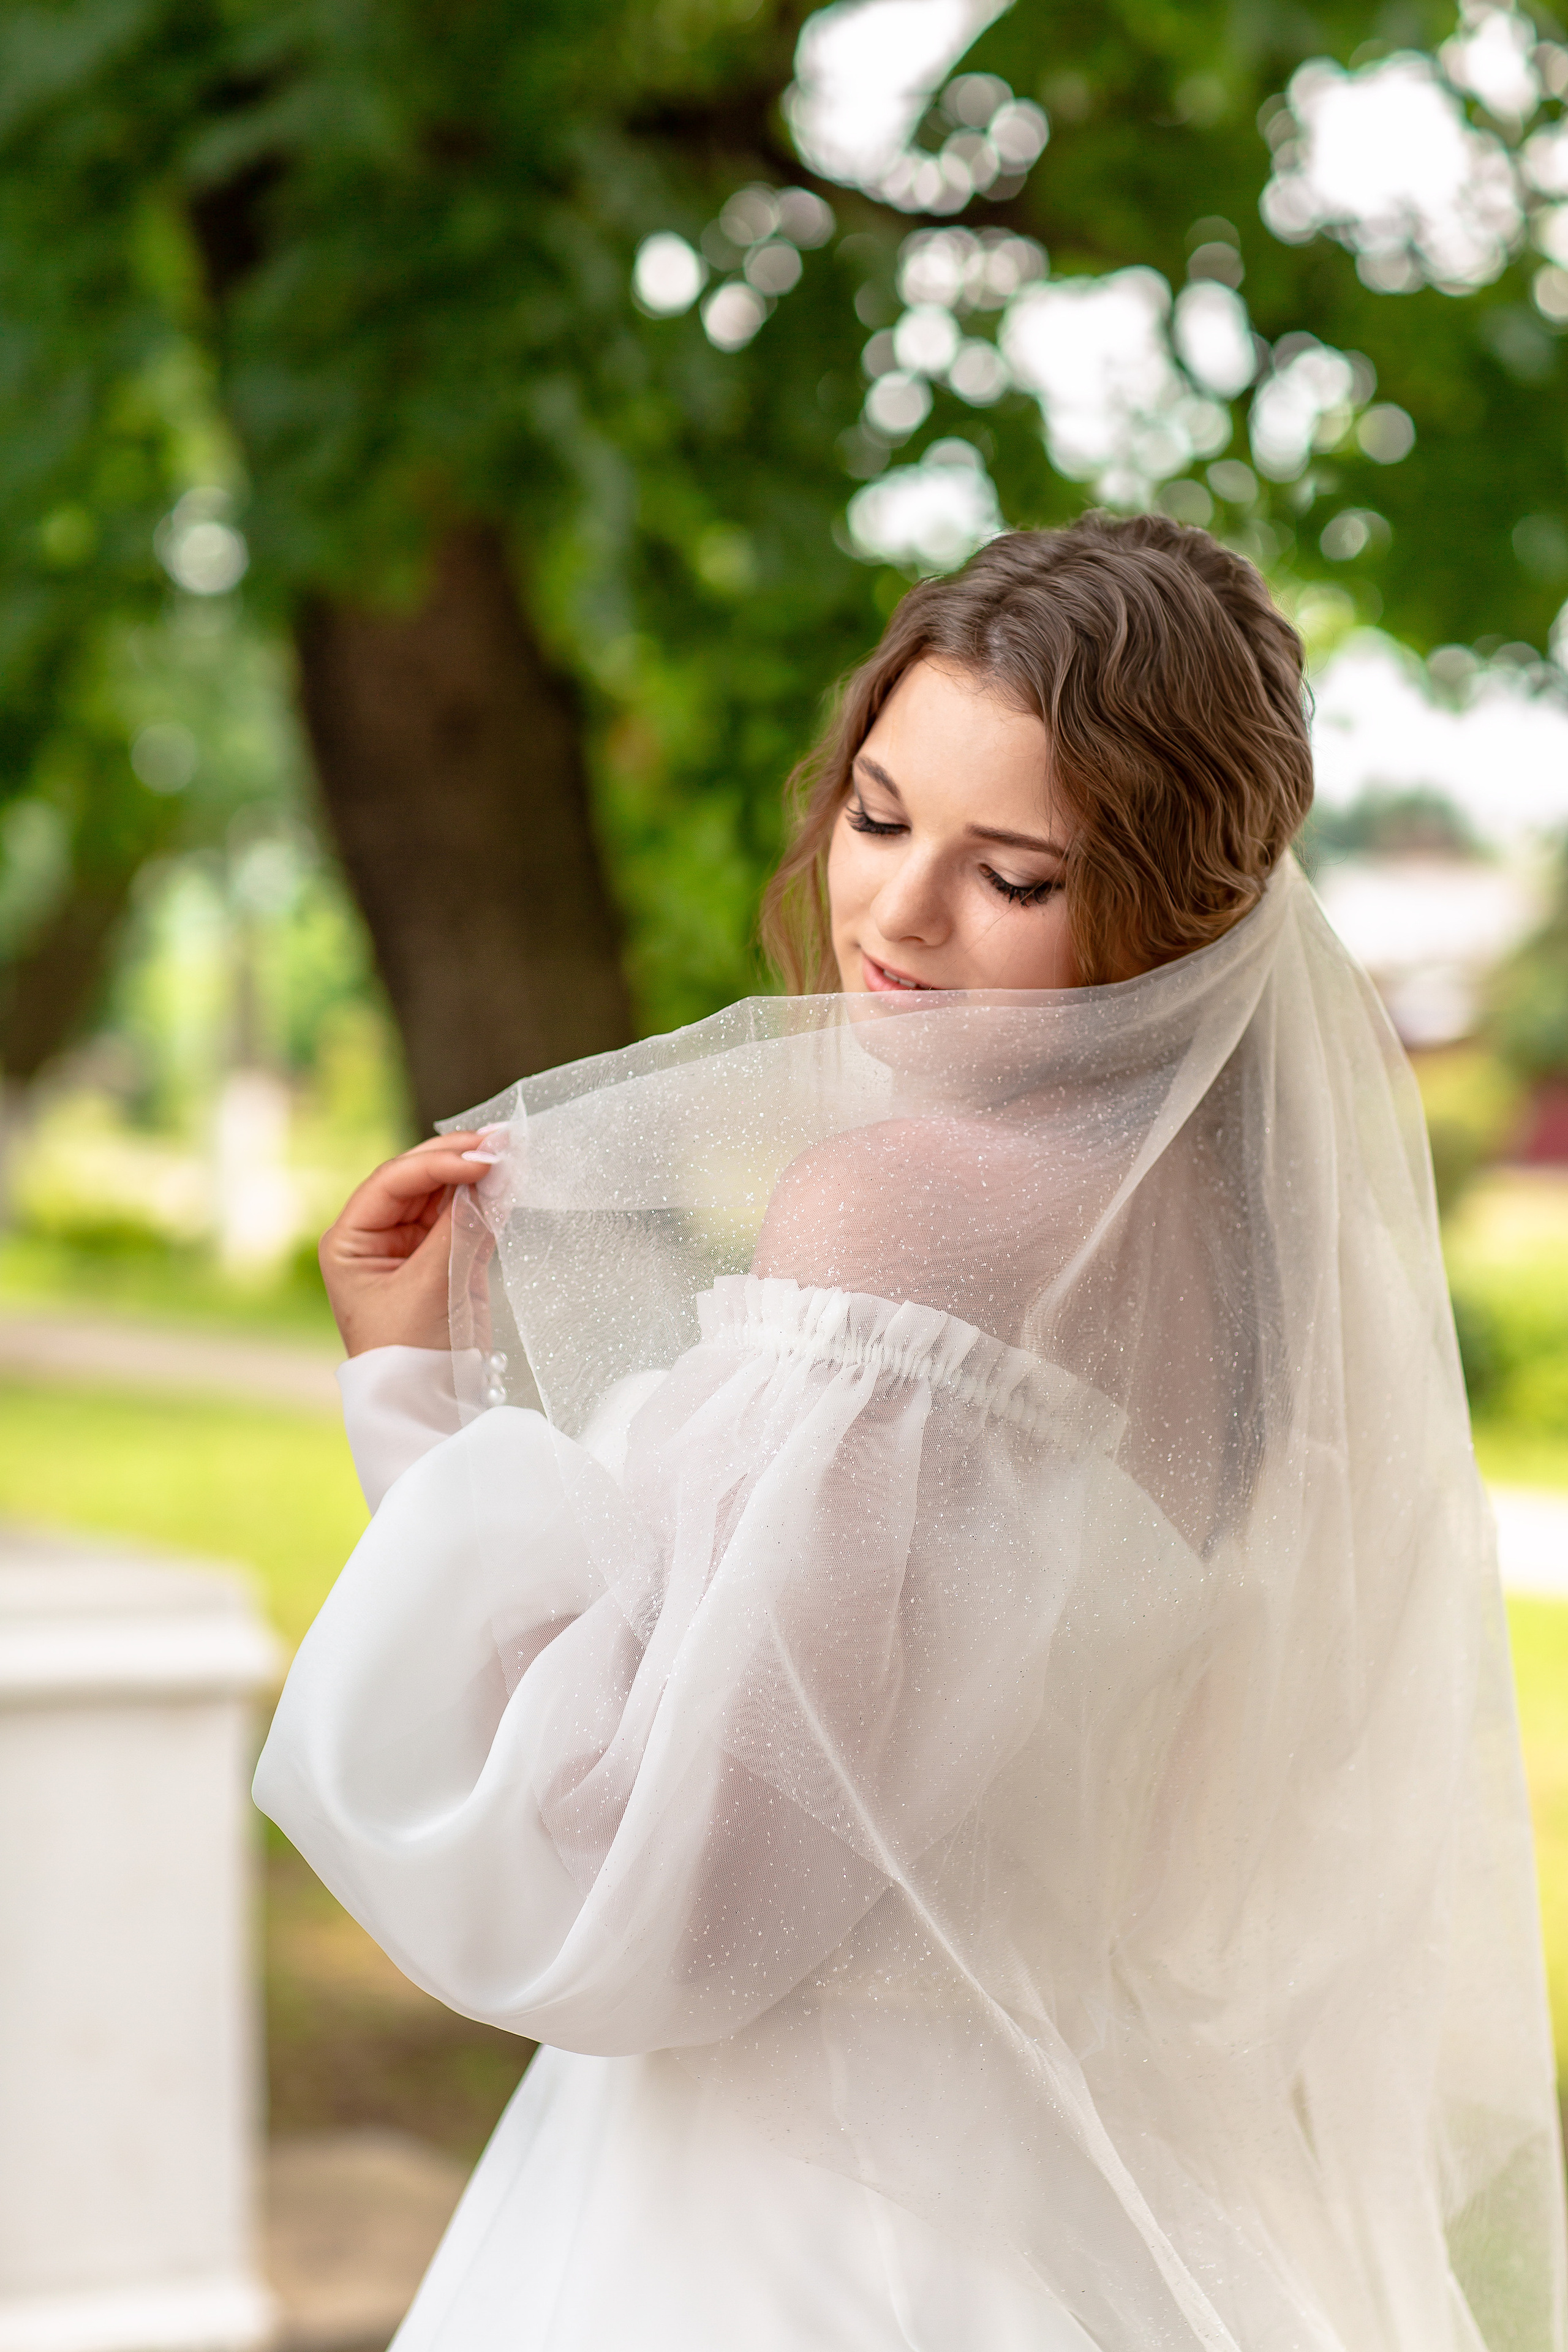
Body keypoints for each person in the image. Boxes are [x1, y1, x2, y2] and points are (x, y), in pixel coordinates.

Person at [255, 515, 1566, 2352]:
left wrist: (411, 1407)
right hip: (1101, 2205)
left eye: (1012, 875)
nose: (896, 916)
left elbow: (668, 1896)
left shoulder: (900, 1222)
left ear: (1176, 913)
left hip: (797, 2224)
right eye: (880, 817)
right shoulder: (1243, 1254)